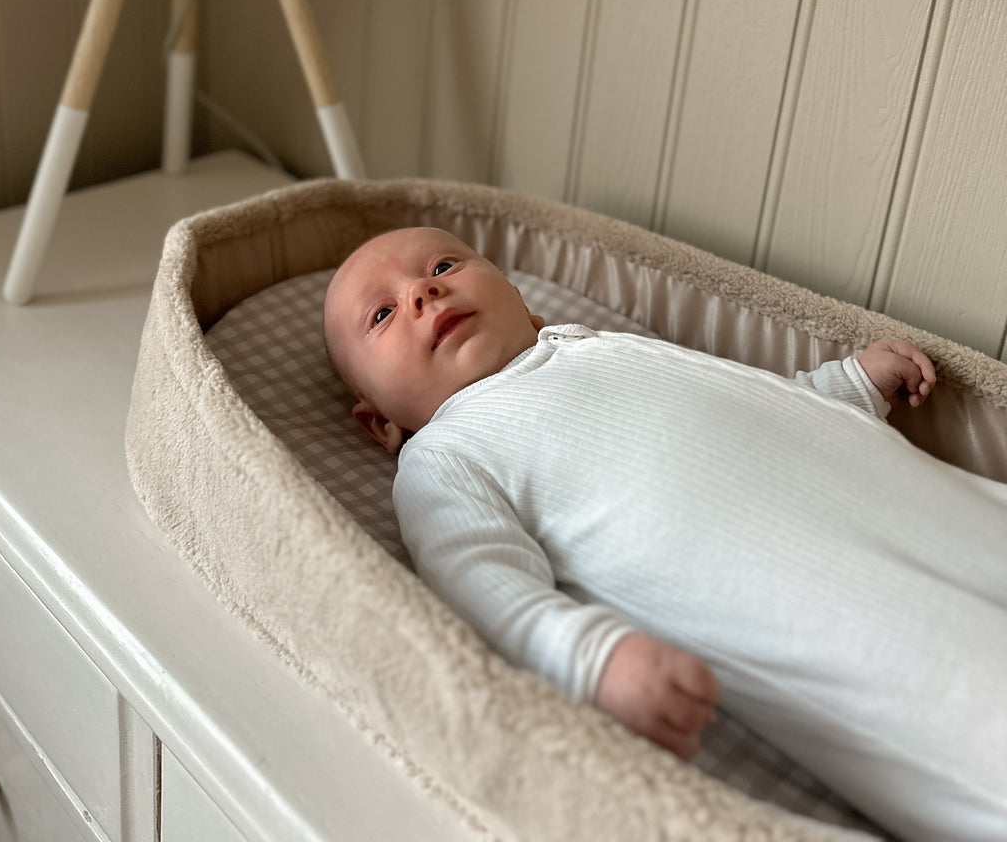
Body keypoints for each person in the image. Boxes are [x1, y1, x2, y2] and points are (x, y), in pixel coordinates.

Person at [323, 226, 1007, 842]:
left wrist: (845, 385)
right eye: (382, 314)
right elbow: (483, 588)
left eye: (445, 262)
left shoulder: (593, 346)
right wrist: (594, 659)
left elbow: (745, 402)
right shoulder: (445, 453)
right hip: (827, 605)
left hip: (906, 498)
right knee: (960, 692)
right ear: (379, 423)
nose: (423, 289)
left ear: (527, 307)